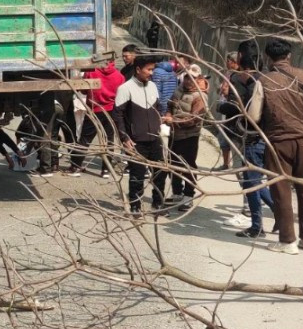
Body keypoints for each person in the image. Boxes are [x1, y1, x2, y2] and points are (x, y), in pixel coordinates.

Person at [247, 39, 303, 254]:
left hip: (279, 142)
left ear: (268, 58)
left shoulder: (264, 81)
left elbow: (254, 115)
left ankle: (287, 240)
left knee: (281, 191)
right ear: (289, 56)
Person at [225, 41, 275, 238]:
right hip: (266, 136)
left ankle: (257, 226)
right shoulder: (268, 79)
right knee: (252, 181)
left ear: (239, 57)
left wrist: (224, 107)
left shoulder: (240, 79)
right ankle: (278, 213)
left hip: (250, 137)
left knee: (251, 182)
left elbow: (236, 108)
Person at [114, 55, 168, 214]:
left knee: (160, 173)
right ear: (138, 69)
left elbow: (158, 109)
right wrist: (125, 138)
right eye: (149, 69)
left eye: (153, 69)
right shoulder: (125, 88)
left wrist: (161, 123)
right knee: (137, 176)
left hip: (155, 139)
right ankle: (135, 206)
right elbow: (117, 116)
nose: (151, 73)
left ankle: (158, 204)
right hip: (136, 141)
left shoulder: (152, 86)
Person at [69, 59, 124, 177]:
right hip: (111, 110)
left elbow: (83, 90)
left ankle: (76, 166)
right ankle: (106, 170)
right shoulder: (119, 76)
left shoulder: (92, 72)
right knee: (108, 140)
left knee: (85, 139)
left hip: (94, 109)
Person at [164, 65, 208, 210]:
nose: (189, 80)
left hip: (189, 136)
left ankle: (188, 196)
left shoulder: (200, 96)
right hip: (174, 133)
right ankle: (177, 193)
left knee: (188, 166)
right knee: (173, 164)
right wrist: (169, 115)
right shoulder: (179, 89)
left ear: (199, 78)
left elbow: (194, 119)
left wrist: (174, 122)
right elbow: (170, 105)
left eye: (193, 78)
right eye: (187, 76)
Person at [215, 52, 242, 170]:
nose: (227, 63)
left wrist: (225, 91)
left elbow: (230, 93)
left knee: (228, 138)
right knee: (222, 137)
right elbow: (221, 89)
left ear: (235, 62)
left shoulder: (238, 76)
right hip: (224, 106)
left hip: (232, 110)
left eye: (229, 61)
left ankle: (236, 166)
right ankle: (226, 164)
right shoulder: (228, 73)